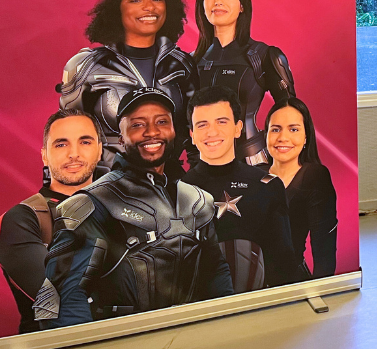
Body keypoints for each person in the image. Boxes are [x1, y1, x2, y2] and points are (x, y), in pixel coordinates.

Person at [34, 88, 233, 327]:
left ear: (174, 130)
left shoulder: (199, 201)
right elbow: (60, 301)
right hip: (123, 345)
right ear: (121, 137)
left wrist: (226, 332)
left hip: (196, 341)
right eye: (138, 125)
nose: (152, 132)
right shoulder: (94, 203)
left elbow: (217, 277)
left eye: (162, 122)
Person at [58, 0, 198, 174]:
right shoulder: (86, 66)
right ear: (115, 9)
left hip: (169, 182)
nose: (149, 7)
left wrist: (198, 182)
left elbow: (196, 133)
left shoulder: (182, 64)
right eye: (135, 0)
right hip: (106, 184)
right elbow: (64, 136)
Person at [183, 86, 303, 292]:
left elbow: (285, 265)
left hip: (259, 305)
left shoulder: (268, 186)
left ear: (238, 128)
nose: (212, 132)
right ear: (192, 135)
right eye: (202, 125)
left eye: (221, 122)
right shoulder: (176, 192)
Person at [0, 109, 102, 333]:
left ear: (100, 150)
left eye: (85, 142)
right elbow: (58, 303)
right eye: (61, 144)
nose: (74, 154)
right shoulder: (23, 218)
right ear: (44, 155)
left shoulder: (127, 208)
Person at [193, 0, 295, 165]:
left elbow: (291, 115)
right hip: (203, 164)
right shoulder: (191, 62)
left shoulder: (264, 56)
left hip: (252, 161)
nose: (218, 1)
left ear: (242, 5)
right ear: (202, 5)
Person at [265, 97, 337, 279]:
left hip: (290, 283)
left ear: (306, 137)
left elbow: (324, 251)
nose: (283, 138)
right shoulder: (253, 174)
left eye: (294, 129)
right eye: (275, 129)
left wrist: (320, 289)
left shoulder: (315, 176)